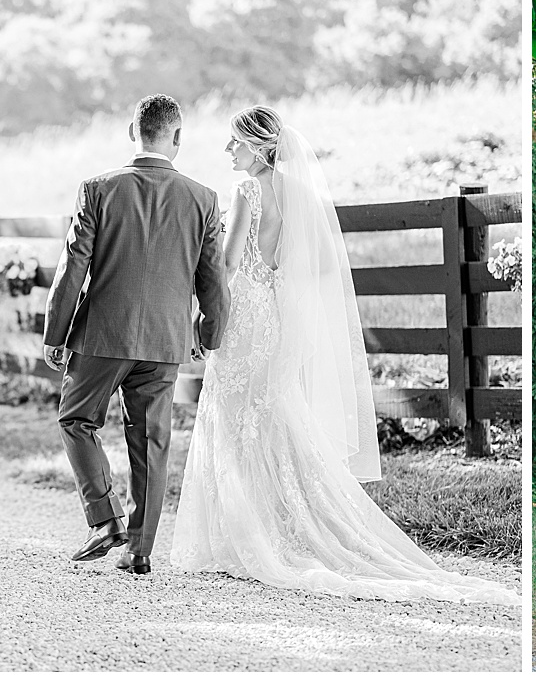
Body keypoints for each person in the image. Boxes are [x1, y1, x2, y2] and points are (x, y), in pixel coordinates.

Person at [167, 105, 516, 603]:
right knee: (271, 415)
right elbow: (317, 270)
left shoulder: (247, 191)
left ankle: (247, 533)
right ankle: (274, 523)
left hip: (244, 315)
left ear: (262, 147)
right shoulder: (302, 194)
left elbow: (225, 264)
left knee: (237, 418)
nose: (228, 150)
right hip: (273, 316)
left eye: (236, 142)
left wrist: (204, 315)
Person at [42, 94, 230, 575]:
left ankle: (106, 519)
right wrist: (209, 334)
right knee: (151, 439)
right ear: (178, 137)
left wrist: (55, 331)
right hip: (166, 342)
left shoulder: (99, 189)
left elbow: (73, 269)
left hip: (102, 336)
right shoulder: (204, 198)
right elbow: (213, 280)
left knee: (76, 419)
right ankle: (140, 550)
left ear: (133, 132)